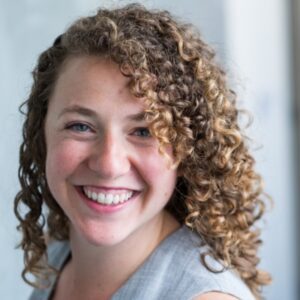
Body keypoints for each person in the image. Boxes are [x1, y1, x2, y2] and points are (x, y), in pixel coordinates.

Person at [14, 3, 272, 300]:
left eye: (144, 132)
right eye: (81, 126)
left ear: (187, 151)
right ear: (41, 134)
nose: (109, 164)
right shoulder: (59, 255)